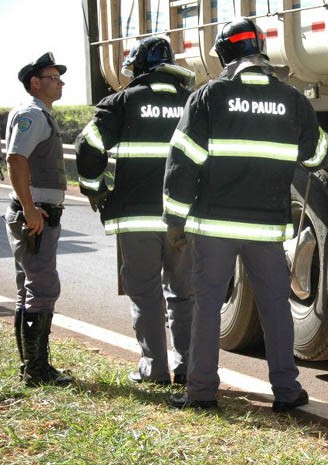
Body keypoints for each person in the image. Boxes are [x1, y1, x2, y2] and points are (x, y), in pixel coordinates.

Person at [164, 17, 328, 412]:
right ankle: (288, 392)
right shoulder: (292, 100)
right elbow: (316, 155)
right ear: (261, 51)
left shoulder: (207, 97)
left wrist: (175, 220)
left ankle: (202, 392)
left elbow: (182, 163)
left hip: (215, 227)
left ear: (225, 54)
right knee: (275, 305)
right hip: (266, 228)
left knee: (207, 304)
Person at [75, 37, 195, 385]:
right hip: (182, 217)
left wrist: (95, 188)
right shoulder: (192, 103)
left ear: (138, 68)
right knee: (184, 292)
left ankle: (154, 368)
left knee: (145, 292)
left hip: (135, 218)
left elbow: (89, 146)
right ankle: (187, 366)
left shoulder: (122, 102)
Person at [4, 52, 73, 386]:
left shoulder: (42, 114)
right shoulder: (32, 113)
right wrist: (30, 209)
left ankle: (31, 368)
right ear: (35, 82)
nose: (59, 82)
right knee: (42, 288)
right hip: (36, 215)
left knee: (29, 290)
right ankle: (36, 371)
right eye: (53, 77)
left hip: (38, 213)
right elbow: (16, 160)